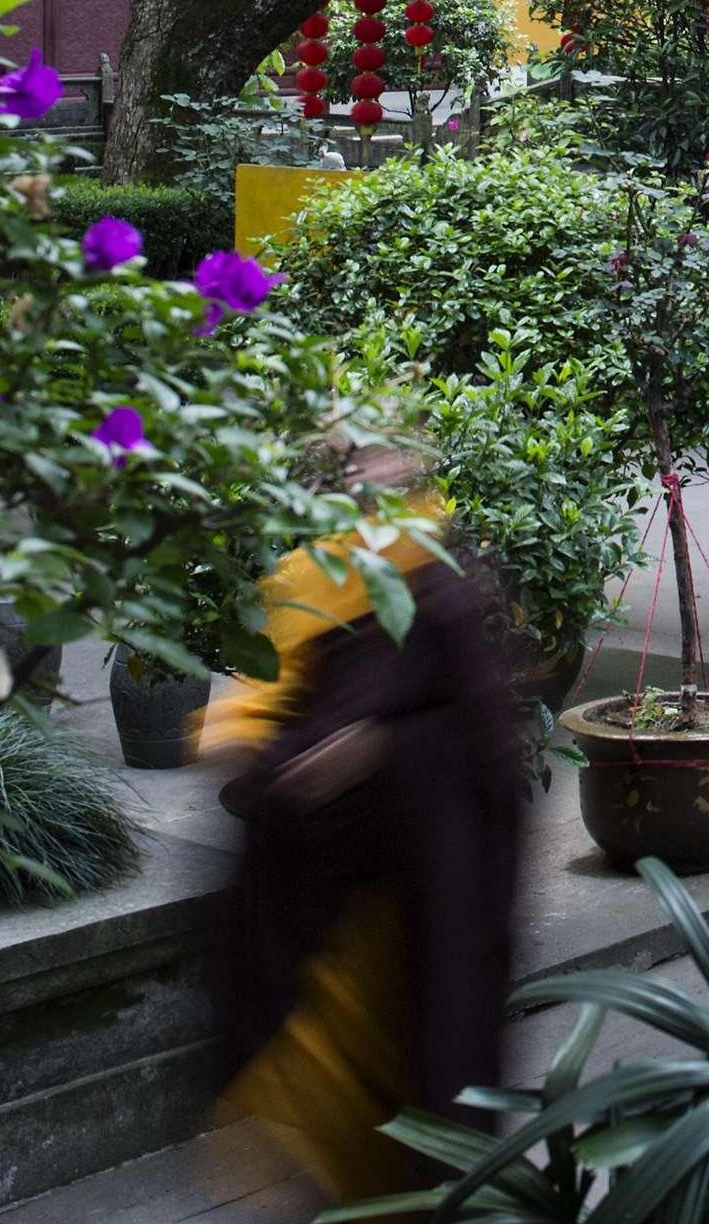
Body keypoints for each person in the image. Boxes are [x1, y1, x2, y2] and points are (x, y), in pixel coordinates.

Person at [202, 440, 522, 1206]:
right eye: (350, 463)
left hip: (428, 897)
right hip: (335, 895)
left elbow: (482, 733)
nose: (367, 475)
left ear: (414, 466)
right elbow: (250, 704)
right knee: (329, 1092)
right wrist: (255, 748)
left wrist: (385, 746)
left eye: (381, 458)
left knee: (424, 1069)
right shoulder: (307, 574)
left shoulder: (440, 569)